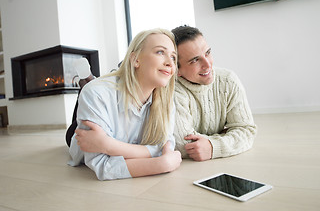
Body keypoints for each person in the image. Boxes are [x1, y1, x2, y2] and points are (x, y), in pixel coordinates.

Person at [68, 28, 182, 180]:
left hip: (109, 115)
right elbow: (103, 165)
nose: (170, 63)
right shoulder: (96, 94)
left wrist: (108, 145)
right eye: (160, 52)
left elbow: (164, 147)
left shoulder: (166, 101)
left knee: (92, 91)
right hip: (79, 134)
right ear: (135, 59)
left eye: (174, 57)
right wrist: (161, 164)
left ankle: (91, 79)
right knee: (88, 94)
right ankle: (88, 81)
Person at [171, 25, 257, 161]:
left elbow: (247, 131)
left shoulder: (228, 80)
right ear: (177, 70)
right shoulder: (172, 90)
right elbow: (182, 144)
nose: (207, 64)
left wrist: (212, 146)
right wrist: (227, 137)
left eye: (208, 53)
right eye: (195, 60)